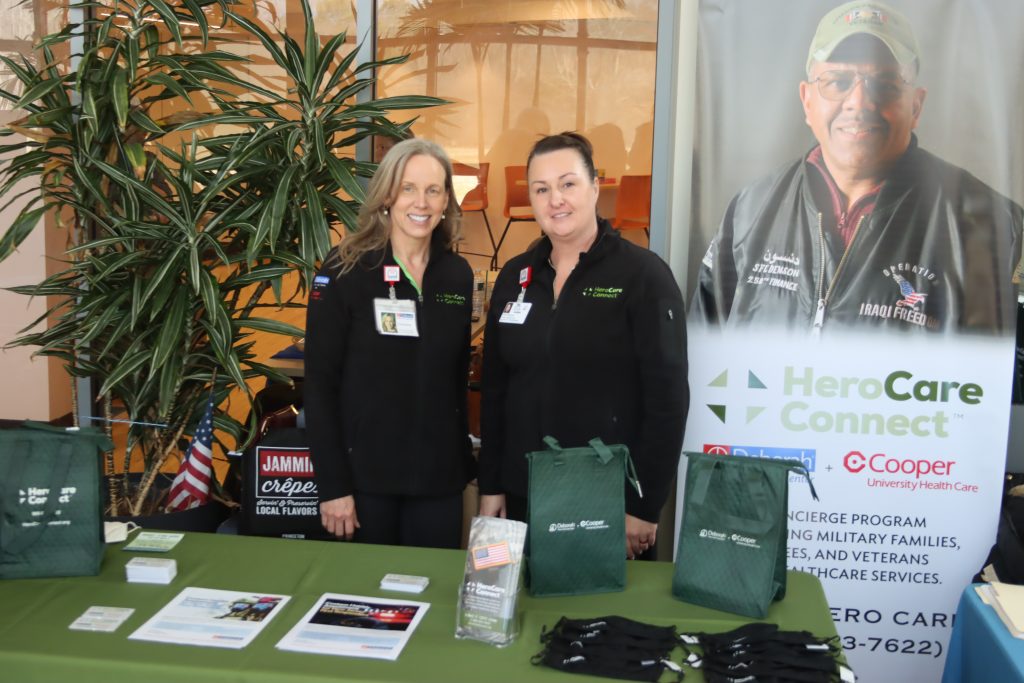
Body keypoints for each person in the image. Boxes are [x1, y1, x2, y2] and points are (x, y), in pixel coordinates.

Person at [691, 1, 1022, 334]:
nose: (859, 102)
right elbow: (701, 356)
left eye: (886, 85)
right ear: (807, 101)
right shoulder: (749, 212)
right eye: (837, 81)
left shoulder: (995, 230)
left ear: (916, 106)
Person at [478, 132, 689, 560]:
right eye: (541, 189)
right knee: (523, 618)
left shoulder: (644, 276)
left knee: (598, 624)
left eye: (568, 183)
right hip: (522, 494)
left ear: (595, 187)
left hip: (604, 500)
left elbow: (668, 402)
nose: (555, 199)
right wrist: (491, 485)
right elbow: (497, 391)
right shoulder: (514, 277)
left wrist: (644, 506)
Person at [304, 138, 475, 549]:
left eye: (434, 190)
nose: (422, 202)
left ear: (447, 199)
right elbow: (320, 385)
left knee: (432, 597)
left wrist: (463, 464)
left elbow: (454, 379)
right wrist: (333, 487)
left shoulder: (457, 275)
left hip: (438, 484)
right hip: (364, 485)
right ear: (386, 196)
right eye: (408, 188)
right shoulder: (344, 269)